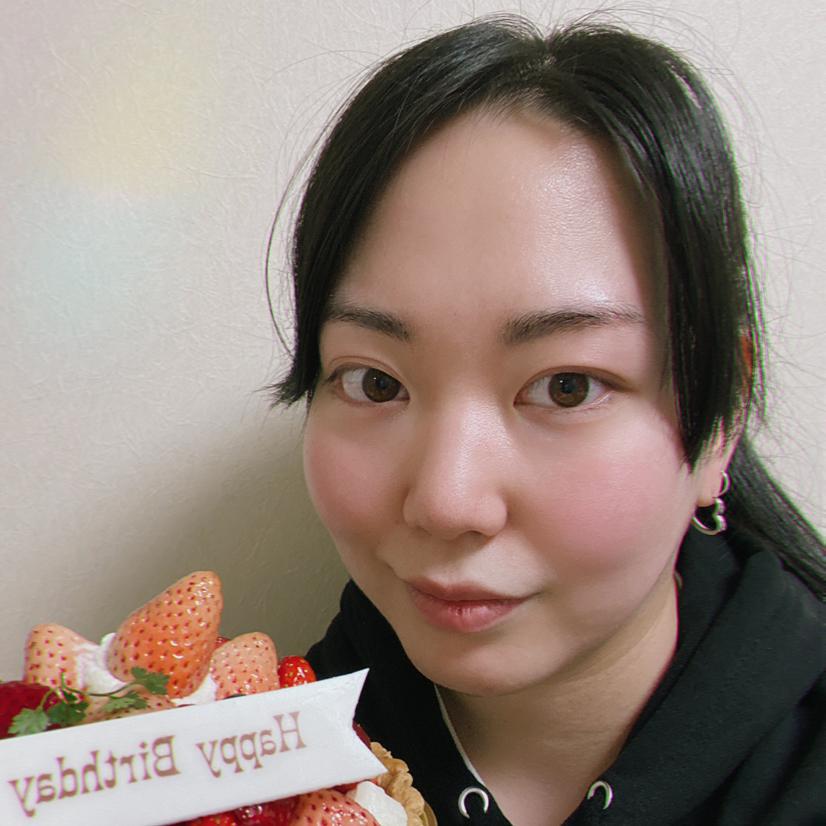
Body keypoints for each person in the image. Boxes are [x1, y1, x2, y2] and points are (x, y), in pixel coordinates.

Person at [271, 15, 826, 825]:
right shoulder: (253, 779)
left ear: (721, 416)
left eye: (567, 387)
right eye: (376, 383)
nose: (447, 502)